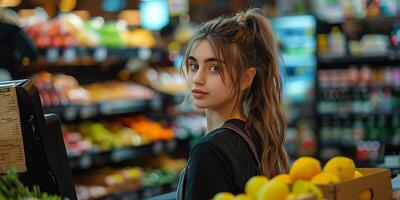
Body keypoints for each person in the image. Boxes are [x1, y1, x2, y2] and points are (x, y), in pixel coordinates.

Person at [176, 8, 289, 200]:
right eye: (194, 65)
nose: (197, 78)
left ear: (246, 78)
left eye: (214, 68)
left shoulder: (209, 150)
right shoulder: (256, 132)